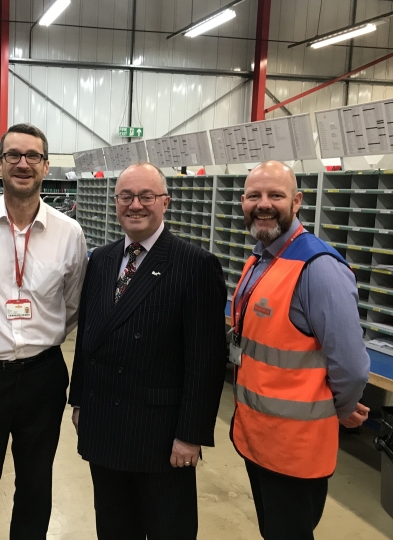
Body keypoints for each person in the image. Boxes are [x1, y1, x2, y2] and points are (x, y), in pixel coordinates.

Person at [68, 162, 227, 540]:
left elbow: (206, 359)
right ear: (116, 202)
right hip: (104, 423)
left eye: (146, 196)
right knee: (113, 525)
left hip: (160, 435)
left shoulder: (195, 265)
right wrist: (79, 401)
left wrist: (191, 434)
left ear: (165, 203)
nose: (135, 205)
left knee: (166, 528)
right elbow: (88, 336)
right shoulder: (102, 260)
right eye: (126, 196)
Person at [0, 123, 87, 540]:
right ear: (0, 164)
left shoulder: (70, 234)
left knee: (35, 485)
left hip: (42, 377)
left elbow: (72, 306)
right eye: (13, 155)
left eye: (33, 156)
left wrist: (36, 337)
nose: (23, 163)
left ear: (46, 166)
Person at [230, 160, 371, 540]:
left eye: (275, 195)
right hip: (259, 438)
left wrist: (338, 409)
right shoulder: (261, 259)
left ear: (297, 202)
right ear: (242, 201)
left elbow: (353, 367)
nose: (263, 204)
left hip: (294, 450)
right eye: (254, 195)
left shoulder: (319, 268)